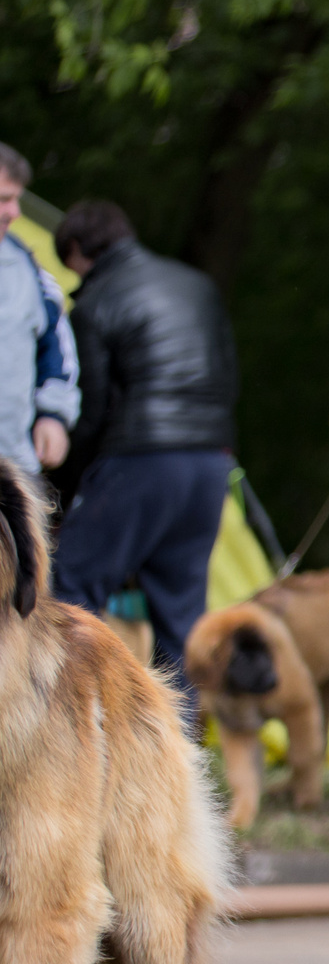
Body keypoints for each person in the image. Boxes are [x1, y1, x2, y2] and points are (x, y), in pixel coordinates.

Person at [51, 200, 237, 723]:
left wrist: (61, 493)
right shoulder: (197, 286)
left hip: (140, 458)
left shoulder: (95, 303)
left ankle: (70, 728)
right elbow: (228, 373)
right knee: (182, 613)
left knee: (71, 591)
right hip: (210, 461)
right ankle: (182, 743)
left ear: (78, 250)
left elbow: (90, 410)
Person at [0, 143, 78, 482]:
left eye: (17, 199)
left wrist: (53, 415)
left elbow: (58, 352)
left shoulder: (28, 269)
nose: (14, 212)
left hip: (10, 472)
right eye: (4, 199)